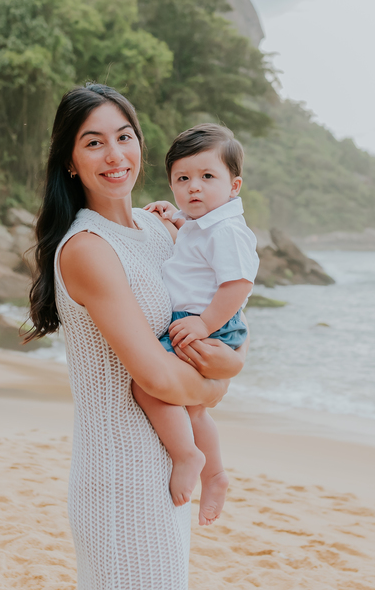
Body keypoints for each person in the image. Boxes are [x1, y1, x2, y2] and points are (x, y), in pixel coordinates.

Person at [28, 85, 248, 590]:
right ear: (69, 161)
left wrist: (230, 364)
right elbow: (153, 375)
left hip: (170, 471)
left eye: (124, 136)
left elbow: (231, 317)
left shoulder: (164, 230)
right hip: (120, 478)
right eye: (93, 143)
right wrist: (217, 385)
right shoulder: (88, 248)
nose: (114, 155)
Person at [135, 124, 257, 527]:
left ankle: (188, 455)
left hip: (209, 324)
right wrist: (172, 218)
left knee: (148, 385)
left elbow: (237, 284)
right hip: (198, 322)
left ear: (234, 185)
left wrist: (205, 323)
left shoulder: (228, 230)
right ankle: (216, 474)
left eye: (208, 177)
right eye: (182, 180)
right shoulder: (203, 224)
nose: (194, 188)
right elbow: (192, 244)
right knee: (194, 407)